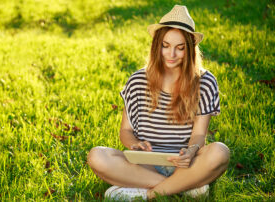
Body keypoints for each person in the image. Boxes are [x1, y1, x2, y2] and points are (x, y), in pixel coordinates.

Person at [87, 5, 230, 201]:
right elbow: (126, 132)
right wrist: (135, 144)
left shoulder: (204, 81)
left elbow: (199, 135)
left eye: (180, 48)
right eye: (165, 45)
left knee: (220, 152)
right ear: (157, 45)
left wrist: (191, 151)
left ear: (190, 50)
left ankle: (147, 193)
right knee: (96, 156)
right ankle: (184, 187)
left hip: (185, 164)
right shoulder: (137, 80)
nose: (171, 54)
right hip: (144, 164)